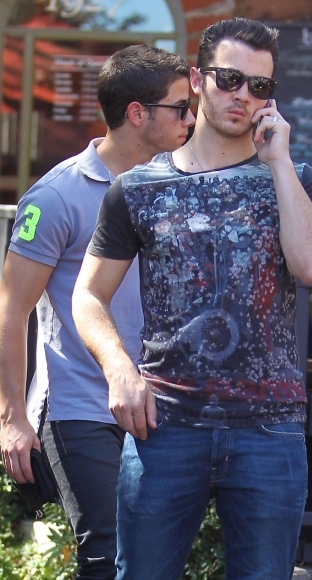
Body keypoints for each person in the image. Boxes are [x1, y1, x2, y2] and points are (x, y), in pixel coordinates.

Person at [72, 18, 312, 580]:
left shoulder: (294, 178)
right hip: (164, 426)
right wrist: (119, 370)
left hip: (269, 428)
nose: (242, 94)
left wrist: (279, 162)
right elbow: (89, 294)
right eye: (229, 78)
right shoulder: (137, 188)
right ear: (197, 79)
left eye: (259, 85)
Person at [0, 44, 195, 580]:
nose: (191, 119)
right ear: (137, 113)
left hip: (160, 405)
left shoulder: (178, 186)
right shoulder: (56, 196)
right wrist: (12, 418)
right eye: (180, 108)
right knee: (107, 557)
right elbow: (11, 311)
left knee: (154, 559)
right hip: (81, 407)